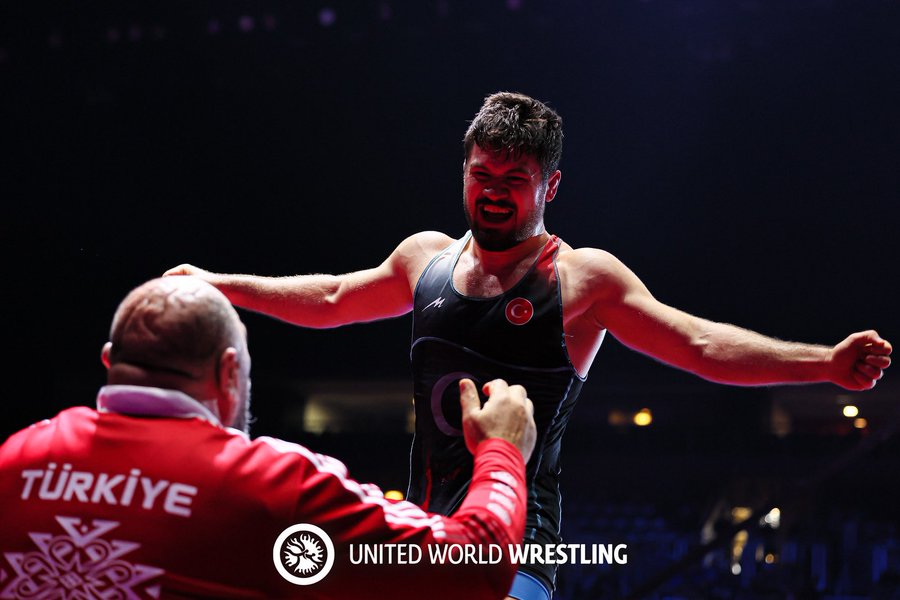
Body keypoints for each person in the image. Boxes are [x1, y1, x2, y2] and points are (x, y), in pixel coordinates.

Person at [163, 92, 893, 599]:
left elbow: (700, 343)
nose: (493, 192)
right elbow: (330, 298)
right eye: (482, 174)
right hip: (422, 530)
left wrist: (821, 363)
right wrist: (221, 285)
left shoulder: (583, 280)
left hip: (519, 544)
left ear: (552, 186)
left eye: (515, 180)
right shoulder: (425, 258)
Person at [0, 276, 537, 599]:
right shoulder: (273, 485)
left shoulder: (13, 460)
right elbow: (474, 566)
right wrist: (502, 450)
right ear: (229, 372)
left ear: (110, 363)